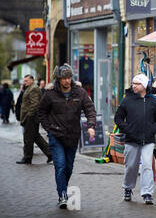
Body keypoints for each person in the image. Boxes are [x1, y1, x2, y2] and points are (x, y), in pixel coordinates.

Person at [38, 64, 97, 209]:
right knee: (60, 166)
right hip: (56, 135)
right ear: (58, 79)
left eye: (69, 77)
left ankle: (63, 187)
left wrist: (91, 126)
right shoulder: (50, 94)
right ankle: (62, 195)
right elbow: (41, 112)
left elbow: (90, 109)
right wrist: (49, 128)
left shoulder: (80, 92)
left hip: (73, 135)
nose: (67, 81)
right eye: (64, 78)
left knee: (69, 168)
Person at [114, 73, 156, 205]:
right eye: (133, 83)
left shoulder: (153, 101)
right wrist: (128, 129)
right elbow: (118, 118)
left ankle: (147, 193)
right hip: (131, 139)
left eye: (137, 84)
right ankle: (128, 188)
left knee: (147, 165)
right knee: (131, 166)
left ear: (145, 85)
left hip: (148, 140)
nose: (134, 86)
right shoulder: (127, 100)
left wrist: (152, 130)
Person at [17, 75, 52, 165]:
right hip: (31, 117)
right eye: (24, 81)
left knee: (28, 138)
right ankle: (50, 154)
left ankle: (27, 158)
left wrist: (29, 115)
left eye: (27, 80)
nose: (25, 82)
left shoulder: (33, 89)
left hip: (31, 118)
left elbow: (35, 104)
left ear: (32, 80)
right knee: (36, 137)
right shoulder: (30, 88)